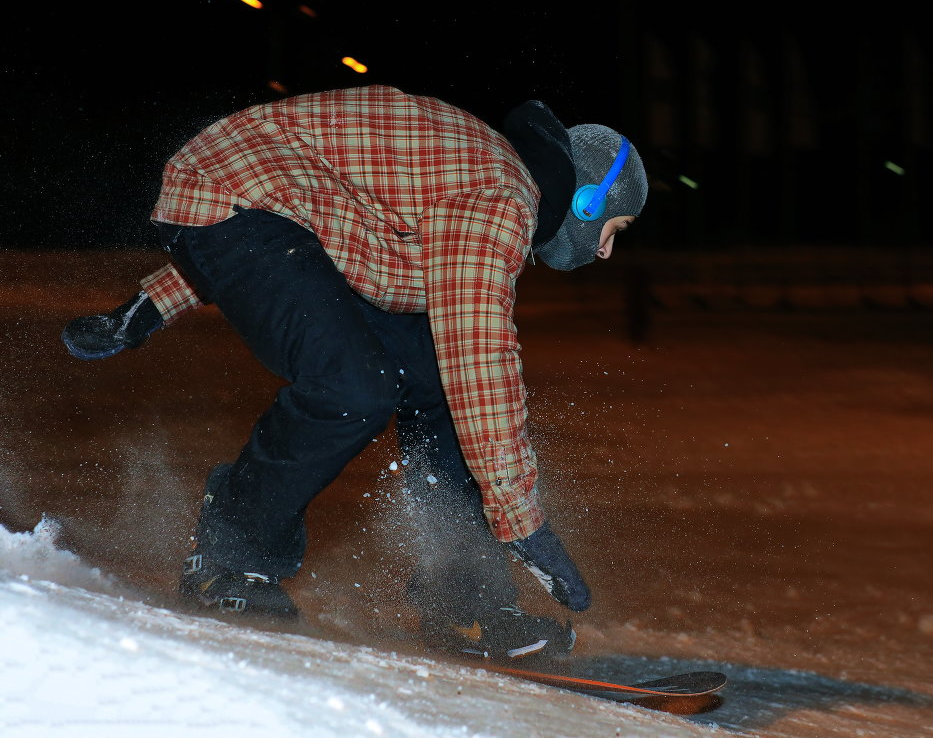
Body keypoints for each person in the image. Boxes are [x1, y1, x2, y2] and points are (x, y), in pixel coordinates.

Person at [61, 84, 647, 661]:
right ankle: (229, 557)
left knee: (437, 386)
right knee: (353, 386)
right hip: (230, 191)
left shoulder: (488, 178)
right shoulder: (500, 197)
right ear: (586, 202)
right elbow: (481, 360)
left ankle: (464, 600)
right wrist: (522, 521)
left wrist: (154, 303)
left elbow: (328, 221)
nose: (604, 252)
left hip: (264, 204)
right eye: (613, 230)